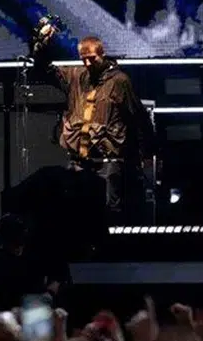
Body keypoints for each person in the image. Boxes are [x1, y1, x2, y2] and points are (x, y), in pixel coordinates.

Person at [34, 32, 156, 222]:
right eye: (84, 59)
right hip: (79, 161)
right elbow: (45, 70)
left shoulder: (119, 81)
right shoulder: (76, 76)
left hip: (107, 161)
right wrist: (40, 47)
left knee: (108, 212)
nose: (88, 63)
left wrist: (147, 154)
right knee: (74, 212)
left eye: (92, 58)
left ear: (102, 55)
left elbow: (138, 117)